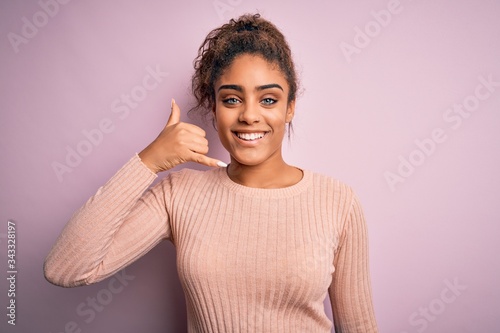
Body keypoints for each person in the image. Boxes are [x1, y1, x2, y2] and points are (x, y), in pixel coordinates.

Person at [44, 13, 379, 332]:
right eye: (232, 99)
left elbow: (359, 328)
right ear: (213, 108)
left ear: (290, 107)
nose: (249, 115)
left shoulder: (337, 201)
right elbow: (67, 268)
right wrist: (148, 162)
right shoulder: (180, 193)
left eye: (268, 100)